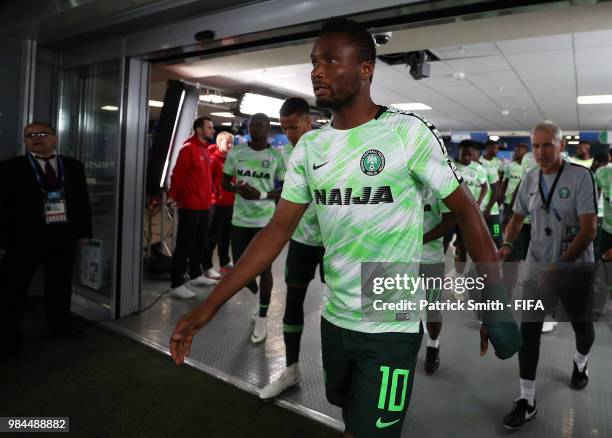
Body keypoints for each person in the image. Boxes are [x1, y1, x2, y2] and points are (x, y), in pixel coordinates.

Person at [171, 18, 519, 438]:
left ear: (366, 69)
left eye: (331, 60)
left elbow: (467, 212)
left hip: (391, 324)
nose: (317, 70)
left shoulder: (406, 132)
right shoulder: (310, 149)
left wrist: (494, 302)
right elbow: (276, 231)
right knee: (353, 422)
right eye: (314, 61)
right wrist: (212, 304)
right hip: (336, 321)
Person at [499, 121, 597, 430]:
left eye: (546, 145)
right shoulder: (529, 179)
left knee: (582, 328)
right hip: (537, 268)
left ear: (561, 146)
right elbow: (516, 219)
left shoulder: (581, 177)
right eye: (536, 146)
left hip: (574, 269)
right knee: (528, 332)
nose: (540, 152)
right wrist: (506, 244)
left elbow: (588, 230)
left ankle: (580, 366)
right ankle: (526, 400)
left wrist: (559, 266)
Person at [0, 122, 92, 359]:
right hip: (23, 240)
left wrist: (83, 233)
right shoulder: (10, 168)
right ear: (25, 141)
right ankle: (8, 335)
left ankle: (59, 326)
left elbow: (82, 202)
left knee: (59, 285)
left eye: (42, 134)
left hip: (62, 237)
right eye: (30, 136)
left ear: (54, 138)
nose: (36, 138)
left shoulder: (73, 167)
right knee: (13, 289)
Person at [260, 97, 325, 399]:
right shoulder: (284, 154)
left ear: (309, 121)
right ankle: (291, 369)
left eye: (294, 127)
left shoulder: (329, 145)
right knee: (293, 304)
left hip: (333, 241)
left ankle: (350, 371)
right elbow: (280, 191)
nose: (289, 134)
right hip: (301, 240)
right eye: (284, 128)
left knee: (342, 305)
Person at [222, 113, 285, 343]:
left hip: (264, 222)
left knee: (264, 270)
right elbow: (224, 182)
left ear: (268, 128)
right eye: (251, 126)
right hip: (240, 219)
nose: (254, 129)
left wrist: (261, 194)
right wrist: (237, 189)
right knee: (240, 268)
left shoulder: (275, 156)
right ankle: (257, 293)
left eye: (259, 126)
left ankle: (263, 315)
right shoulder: (237, 152)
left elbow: (286, 190)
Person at [167, 117, 218, 300]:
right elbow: (177, 175)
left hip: (205, 205)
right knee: (185, 245)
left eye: (212, 127)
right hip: (190, 205)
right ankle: (176, 284)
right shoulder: (188, 149)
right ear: (198, 129)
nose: (212, 130)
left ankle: (196, 275)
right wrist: (173, 196)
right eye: (209, 127)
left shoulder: (204, 150)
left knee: (200, 242)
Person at [421, 192, 455, 375]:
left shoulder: (437, 185)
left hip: (430, 258)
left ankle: (433, 345)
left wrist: (420, 239)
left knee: (432, 307)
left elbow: (450, 220)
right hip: (401, 256)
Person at [207, 131, 235, 273]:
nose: (230, 145)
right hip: (216, 204)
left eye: (232, 142)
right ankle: (206, 266)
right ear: (219, 143)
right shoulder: (212, 160)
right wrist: (215, 194)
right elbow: (207, 181)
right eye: (227, 142)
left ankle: (224, 262)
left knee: (225, 236)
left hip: (230, 204)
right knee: (211, 236)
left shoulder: (232, 161)